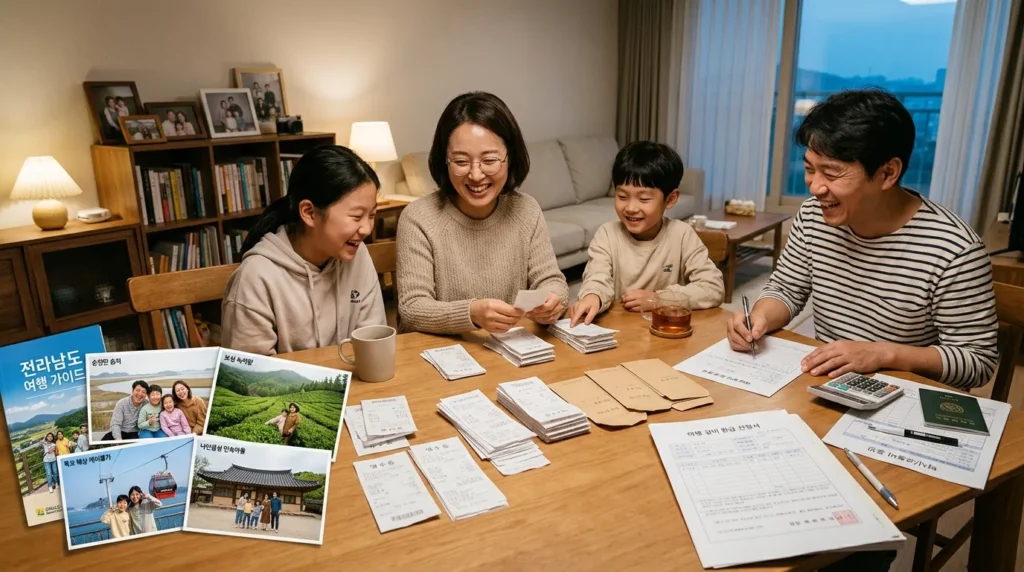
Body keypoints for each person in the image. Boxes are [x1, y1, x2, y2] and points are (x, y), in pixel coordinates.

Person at [726, 88, 998, 392]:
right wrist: (759, 317)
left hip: (900, 397)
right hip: (826, 385)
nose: (815, 187)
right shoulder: (814, 216)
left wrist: (883, 353)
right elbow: (787, 288)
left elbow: (977, 362)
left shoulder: (954, 250)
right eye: (809, 169)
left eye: (831, 173)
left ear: (887, 173)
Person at [396, 91, 568, 334]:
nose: (476, 175)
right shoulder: (418, 218)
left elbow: (551, 280)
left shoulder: (526, 210)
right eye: (461, 161)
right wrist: (471, 313)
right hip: (439, 354)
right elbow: (412, 309)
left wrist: (553, 300)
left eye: (489, 160)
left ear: (510, 158)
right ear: (444, 160)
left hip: (510, 351)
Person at [221, 146, 386, 355]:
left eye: (371, 215)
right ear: (309, 213)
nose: (366, 229)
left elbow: (373, 343)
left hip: (354, 384)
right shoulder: (256, 276)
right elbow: (250, 376)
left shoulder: (358, 255)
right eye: (356, 216)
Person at [570, 141, 724, 325]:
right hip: (621, 330)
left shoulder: (682, 235)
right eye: (622, 197)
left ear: (671, 199)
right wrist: (593, 295)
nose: (631, 208)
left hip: (666, 328)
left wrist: (659, 299)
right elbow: (596, 276)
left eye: (644, 199)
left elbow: (713, 287)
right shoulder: (607, 235)